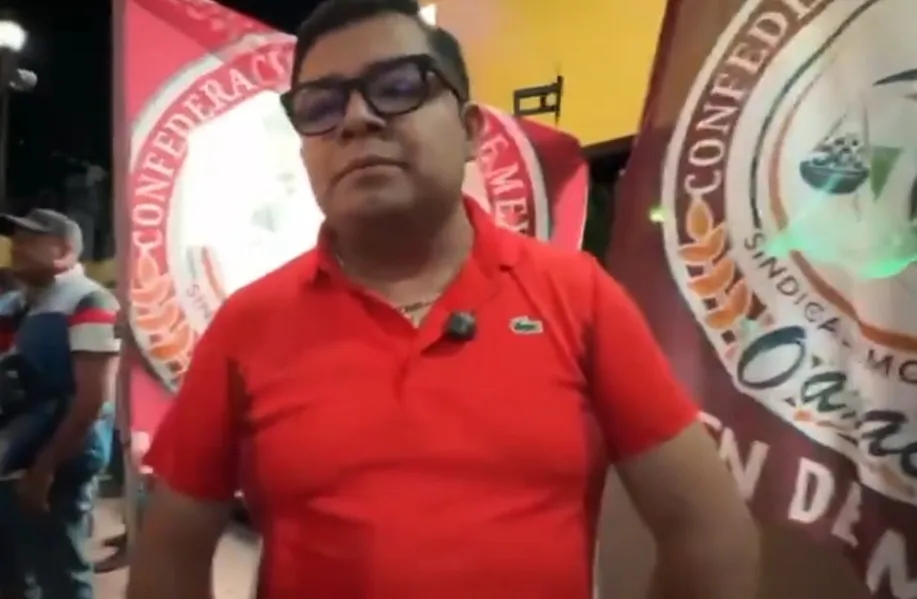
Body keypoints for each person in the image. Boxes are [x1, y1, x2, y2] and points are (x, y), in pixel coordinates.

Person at [127, 1, 759, 598]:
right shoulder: (249, 324)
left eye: (399, 86)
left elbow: (712, 534)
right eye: (321, 105)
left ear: (470, 130)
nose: (357, 120)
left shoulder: (578, 295)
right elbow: (169, 554)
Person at [0, 208, 120, 599]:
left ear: (65, 250)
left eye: (32, 239)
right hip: (13, 458)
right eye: (16, 239)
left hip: (57, 466)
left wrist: (45, 470)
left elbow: (93, 400)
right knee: (13, 576)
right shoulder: (19, 304)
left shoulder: (89, 300)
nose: (17, 247)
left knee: (61, 577)